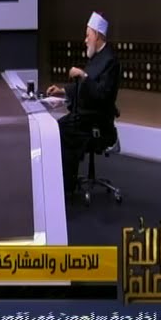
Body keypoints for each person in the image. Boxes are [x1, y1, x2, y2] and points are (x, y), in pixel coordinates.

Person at [46, 12, 121, 196]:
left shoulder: (110, 61)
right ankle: (63, 183)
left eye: (88, 35)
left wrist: (84, 76)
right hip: (85, 117)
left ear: (97, 35)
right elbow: (83, 88)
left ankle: (66, 188)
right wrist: (62, 91)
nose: (85, 40)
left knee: (61, 131)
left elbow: (102, 95)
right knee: (55, 129)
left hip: (97, 122)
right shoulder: (96, 58)